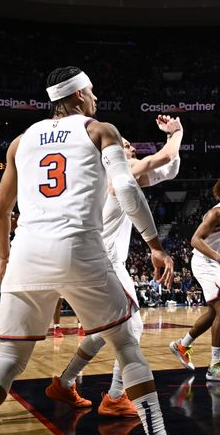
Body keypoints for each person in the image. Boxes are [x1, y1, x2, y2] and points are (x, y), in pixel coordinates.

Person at [0, 67, 188, 435]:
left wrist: (5, 259)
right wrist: (156, 245)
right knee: (126, 344)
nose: (95, 98)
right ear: (75, 98)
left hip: (26, 253)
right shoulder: (99, 130)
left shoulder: (20, 142)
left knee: (8, 361)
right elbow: (125, 187)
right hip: (79, 250)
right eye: (91, 92)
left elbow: (1, 213)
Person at [45, 115, 183, 417]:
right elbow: (167, 157)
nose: (130, 146)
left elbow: (168, 169)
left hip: (81, 261)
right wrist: (177, 132)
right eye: (123, 144)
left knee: (101, 332)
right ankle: (116, 397)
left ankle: (64, 383)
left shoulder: (91, 177)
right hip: (104, 262)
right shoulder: (118, 171)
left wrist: (172, 146)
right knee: (132, 326)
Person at [169, 172, 220, 382]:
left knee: (215, 313)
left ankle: (182, 345)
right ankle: (215, 365)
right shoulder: (217, 214)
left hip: (218, 265)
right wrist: (219, 259)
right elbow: (195, 240)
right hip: (205, 262)